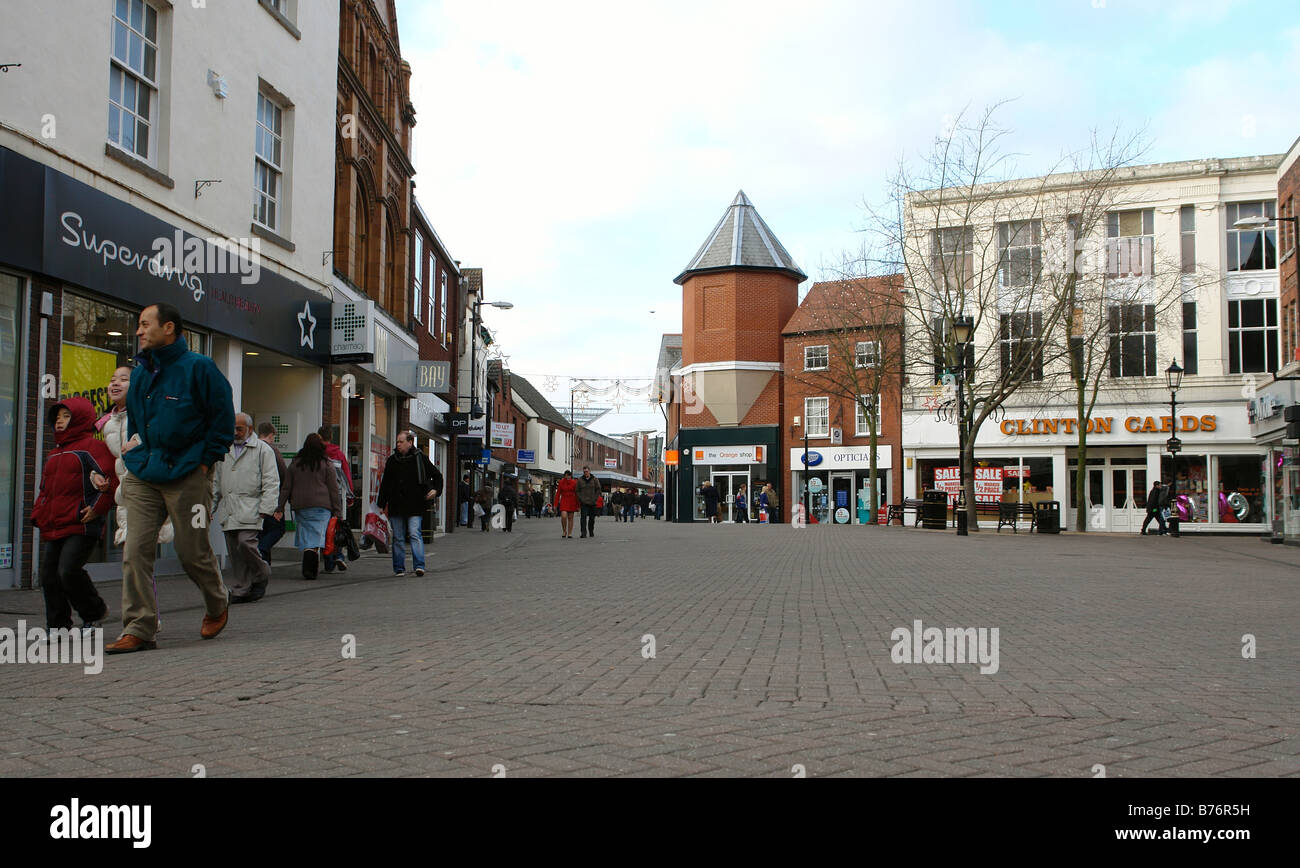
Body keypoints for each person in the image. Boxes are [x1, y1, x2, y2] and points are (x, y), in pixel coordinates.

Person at [106, 303, 234, 655]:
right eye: (138, 325)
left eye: (145, 324)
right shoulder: (142, 372)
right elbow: (137, 419)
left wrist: (205, 464)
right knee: (135, 550)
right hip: (144, 473)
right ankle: (140, 627)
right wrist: (134, 453)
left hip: (187, 475)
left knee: (191, 551)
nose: (138, 331)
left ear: (169, 328)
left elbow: (223, 422)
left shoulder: (200, 369)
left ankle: (217, 599)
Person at [32, 397, 118, 633]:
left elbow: (111, 482)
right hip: (53, 523)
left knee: (68, 571)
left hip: (82, 523)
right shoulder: (53, 454)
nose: (60, 421)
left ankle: (94, 613)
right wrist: (38, 514)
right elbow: (44, 491)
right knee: (49, 577)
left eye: (66, 416)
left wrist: (97, 508)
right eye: (57, 417)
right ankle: (58, 625)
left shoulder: (94, 448)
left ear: (80, 418)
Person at [98, 365, 173, 629]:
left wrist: (139, 442)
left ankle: (143, 620)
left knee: (136, 557)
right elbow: (118, 460)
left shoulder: (147, 413)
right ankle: (145, 617)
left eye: (124, 379)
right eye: (112, 379)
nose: (115, 383)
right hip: (127, 496)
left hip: (149, 494)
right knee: (135, 560)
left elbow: (164, 439)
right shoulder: (110, 423)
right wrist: (104, 483)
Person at [212, 413, 280, 603]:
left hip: (251, 507)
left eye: (239, 429)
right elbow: (216, 483)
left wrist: (267, 507)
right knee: (235, 552)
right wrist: (209, 508)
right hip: (229, 508)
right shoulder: (224, 450)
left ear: (250, 429)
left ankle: (262, 572)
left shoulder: (262, 450)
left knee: (245, 542)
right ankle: (241, 589)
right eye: (232, 428)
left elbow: (271, 481)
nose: (235, 432)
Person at [376, 430, 443, 576]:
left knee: (414, 534)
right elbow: (385, 484)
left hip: (415, 504)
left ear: (410, 442)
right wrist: (381, 504)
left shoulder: (420, 458)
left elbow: (437, 475)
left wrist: (436, 490)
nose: (398, 444)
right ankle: (399, 568)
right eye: (397, 442)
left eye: (401, 441)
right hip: (396, 504)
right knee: (398, 537)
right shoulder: (392, 460)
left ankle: (419, 566)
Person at [275, 433, 342, 580]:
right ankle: (311, 569)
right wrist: (338, 510)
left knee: (307, 537)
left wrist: (280, 506)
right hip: (321, 506)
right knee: (317, 537)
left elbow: (286, 487)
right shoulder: (326, 464)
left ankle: (308, 567)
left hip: (301, 506)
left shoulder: (295, 464)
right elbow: (333, 489)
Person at [255, 421, 287, 564]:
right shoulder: (272, 450)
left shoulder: (252, 449)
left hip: (255, 496)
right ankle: (261, 551)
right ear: (271, 434)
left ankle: (264, 563)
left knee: (262, 529)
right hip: (271, 496)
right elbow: (282, 474)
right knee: (277, 528)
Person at [576, 466, 601, 538]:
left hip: (592, 502)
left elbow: (598, 489)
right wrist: (580, 498)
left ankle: (591, 531)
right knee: (583, 518)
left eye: (587, 471)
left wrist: (595, 498)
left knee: (592, 518)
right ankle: (583, 533)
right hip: (584, 503)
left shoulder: (595, 479)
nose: (585, 473)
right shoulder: (580, 480)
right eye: (584, 472)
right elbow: (577, 491)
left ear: (589, 471)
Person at [554, 469, 579, 538]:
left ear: (571, 476)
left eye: (569, 476)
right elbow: (558, 494)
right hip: (564, 501)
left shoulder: (574, 483)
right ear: (564, 476)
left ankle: (570, 533)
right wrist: (555, 505)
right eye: (566, 476)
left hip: (572, 501)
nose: (568, 477)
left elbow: (577, 494)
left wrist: (578, 505)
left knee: (570, 518)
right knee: (564, 516)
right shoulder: (561, 482)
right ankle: (564, 531)